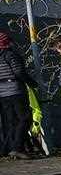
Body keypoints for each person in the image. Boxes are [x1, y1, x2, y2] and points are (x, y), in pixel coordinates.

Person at [0, 31, 36, 159]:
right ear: (6, 43)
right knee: (25, 118)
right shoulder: (10, 55)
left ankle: (7, 149)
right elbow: (19, 72)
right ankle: (17, 148)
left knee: (12, 122)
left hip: (3, 94)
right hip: (15, 90)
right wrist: (33, 83)